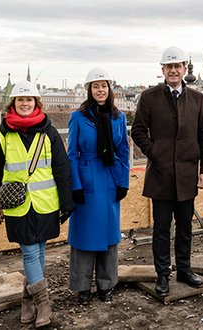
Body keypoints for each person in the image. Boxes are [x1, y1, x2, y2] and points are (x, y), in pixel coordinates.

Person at [0, 80, 74, 328]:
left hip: (45, 202)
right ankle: (44, 303)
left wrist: (66, 202)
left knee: (38, 250)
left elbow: (62, 168)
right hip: (17, 203)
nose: (24, 104)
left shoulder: (49, 132)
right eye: (20, 100)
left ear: (36, 103)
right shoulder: (4, 133)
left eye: (29, 100)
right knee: (29, 250)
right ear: (13, 104)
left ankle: (27, 300)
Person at [131, 46, 203, 296]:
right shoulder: (150, 97)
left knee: (185, 227)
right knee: (161, 229)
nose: (174, 70)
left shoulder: (197, 99)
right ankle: (163, 274)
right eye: (169, 67)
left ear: (184, 69)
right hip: (161, 174)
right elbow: (138, 131)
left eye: (178, 66)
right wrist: (155, 152)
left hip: (188, 174)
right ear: (163, 70)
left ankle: (185, 270)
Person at [67, 67, 130, 304]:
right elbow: (72, 153)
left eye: (104, 85)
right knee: (84, 236)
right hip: (87, 179)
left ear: (109, 89)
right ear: (89, 90)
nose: (100, 90)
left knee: (109, 234)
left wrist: (122, 182)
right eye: (96, 86)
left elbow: (123, 150)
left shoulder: (119, 117)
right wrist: (76, 185)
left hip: (110, 178)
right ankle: (82, 287)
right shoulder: (78, 117)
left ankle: (106, 284)